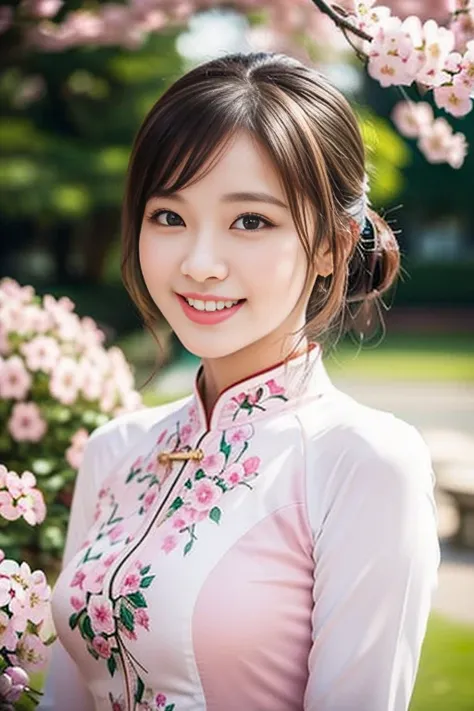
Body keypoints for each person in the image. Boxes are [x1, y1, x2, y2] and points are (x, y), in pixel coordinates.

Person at [40, 52, 440, 711]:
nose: (199, 263)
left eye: (250, 221)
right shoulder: (115, 450)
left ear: (332, 246)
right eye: (168, 216)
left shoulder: (364, 464)